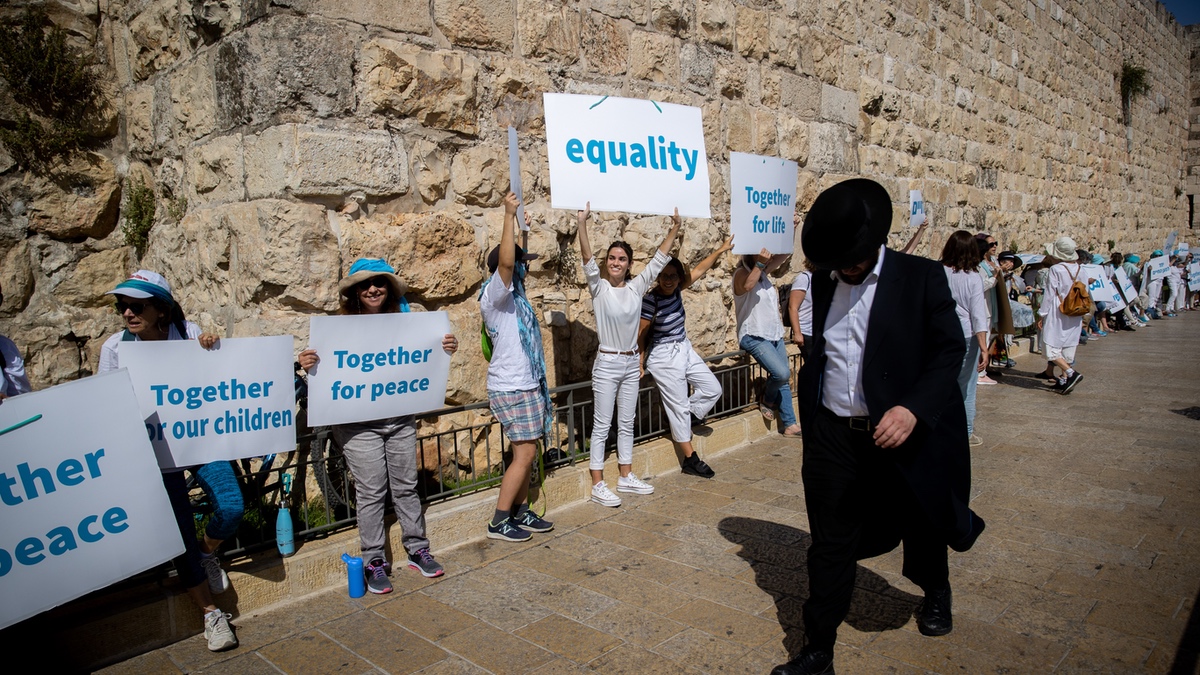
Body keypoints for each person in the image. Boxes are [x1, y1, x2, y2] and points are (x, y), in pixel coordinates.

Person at [772, 179, 984, 675]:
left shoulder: (922, 277)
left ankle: (935, 590)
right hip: (832, 434)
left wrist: (911, 408)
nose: (845, 267)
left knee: (922, 517)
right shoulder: (824, 281)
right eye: (837, 259)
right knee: (828, 540)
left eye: (853, 257)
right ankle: (817, 648)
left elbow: (949, 349)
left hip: (900, 433)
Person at [97, 270, 241, 652]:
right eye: (122, 305)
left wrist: (214, 347)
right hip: (154, 454)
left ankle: (206, 551)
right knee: (178, 535)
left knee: (231, 505)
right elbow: (106, 401)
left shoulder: (187, 333)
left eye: (137, 305)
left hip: (197, 442)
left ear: (161, 308)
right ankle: (211, 614)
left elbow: (216, 380)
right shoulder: (115, 347)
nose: (128, 312)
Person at [298, 258, 458, 589]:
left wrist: (445, 347)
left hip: (398, 418)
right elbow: (322, 363)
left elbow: (423, 356)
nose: (373, 289)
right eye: (366, 284)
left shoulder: (406, 323)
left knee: (405, 486)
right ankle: (373, 560)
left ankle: (418, 550)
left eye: (380, 283)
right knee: (371, 492)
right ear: (355, 292)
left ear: (389, 289)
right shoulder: (338, 329)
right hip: (358, 426)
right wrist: (307, 360)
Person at [577, 203, 680, 507]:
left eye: (622, 258)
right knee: (601, 423)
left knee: (627, 421)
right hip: (607, 362)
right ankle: (597, 483)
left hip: (630, 361)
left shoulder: (637, 289)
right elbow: (586, 260)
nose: (616, 262)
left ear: (629, 263)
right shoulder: (600, 290)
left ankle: (625, 474)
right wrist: (582, 224)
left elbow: (660, 260)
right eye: (611, 258)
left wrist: (674, 226)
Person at [480, 194, 556, 541]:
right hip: (511, 386)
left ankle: (521, 511)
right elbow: (507, 265)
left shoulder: (518, 301)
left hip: (526, 384)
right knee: (525, 453)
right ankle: (499, 520)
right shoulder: (496, 295)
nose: (525, 268)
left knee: (525, 453)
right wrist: (508, 215)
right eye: (522, 264)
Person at [639, 235, 734, 480]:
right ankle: (690, 459)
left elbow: (702, 268)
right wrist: (640, 362)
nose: (669, 280)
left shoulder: (677, 289)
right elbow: (641, 333)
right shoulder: (651, 301)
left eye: (673, 276)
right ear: (658, 276)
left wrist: (722, 248)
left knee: (712, 388)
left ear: (679, 277)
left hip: (684, 347)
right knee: (678, 407)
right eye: (664, 276)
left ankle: (682, 419)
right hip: (663, 355)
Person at [734, 248, 802, 437]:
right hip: (753, 334)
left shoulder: (763, 273)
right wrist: (760, 263)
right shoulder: (741, 273)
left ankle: (790, 424)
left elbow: (784, 255)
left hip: (773, 333)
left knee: (784, 380)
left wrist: (792, 229)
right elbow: (747, 286)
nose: (768, 253)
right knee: (781, 373)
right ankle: (768, 399)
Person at [941, 231, 989, 448]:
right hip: (966, 335)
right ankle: (966, 431)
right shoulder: (973, 278)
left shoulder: (938, 272)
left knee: (941, 382)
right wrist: (984, 347)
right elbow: (978, 314)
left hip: (941, 333)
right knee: (967, 385)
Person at [1036, 237, 1085, 395]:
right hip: (1075, 312)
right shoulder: (1081, 269)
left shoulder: (1056, 269)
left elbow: (1049, 294)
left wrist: (1042, 315)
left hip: (1058, 310)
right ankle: (1064, 380)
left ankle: (1071, 373)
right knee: (1068, 346)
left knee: (1051, 346)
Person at [787, 258, 817, 365]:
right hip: (806, 332)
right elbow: (793, 307)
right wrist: (797, 333)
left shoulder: (823, 279)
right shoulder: (804, 278)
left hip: (817, 331)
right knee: (813, 367)